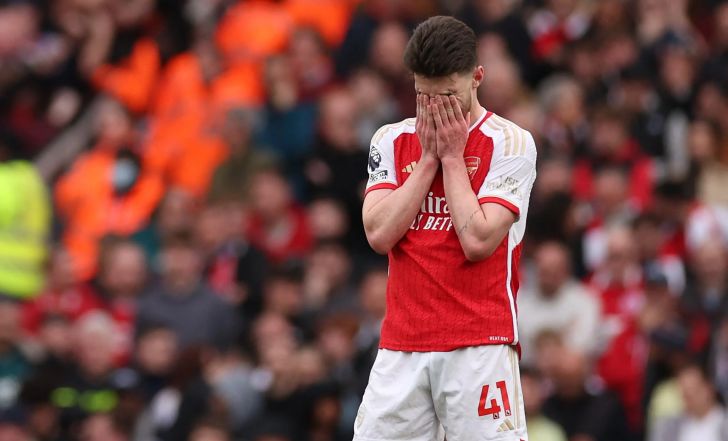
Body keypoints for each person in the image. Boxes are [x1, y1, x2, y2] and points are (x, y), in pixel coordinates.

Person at [357, 16, 537, 441]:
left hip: (479, 343)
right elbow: (378, 235)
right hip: (402, 344)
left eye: (449, 96)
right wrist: (428, 160)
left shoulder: (510, 142)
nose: (437, 108)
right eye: (425, 96)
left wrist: (453, 158)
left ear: (477, 77)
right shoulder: (390, 139)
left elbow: (478, 240)